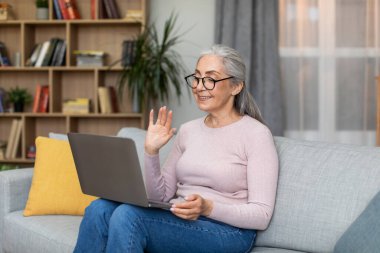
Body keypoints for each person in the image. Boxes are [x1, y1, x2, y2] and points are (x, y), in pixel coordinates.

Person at [73, 44, 279, 253]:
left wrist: (207, 207)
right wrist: (151, 152)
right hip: (180, 218)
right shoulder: (188, 130)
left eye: (210, 78)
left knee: (128, 217)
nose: (199, 86)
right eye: (197, 78)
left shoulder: (256, 134)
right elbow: (158, 198)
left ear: (236, 87)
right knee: (99, 209)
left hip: (229, 232)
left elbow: (261, 215)